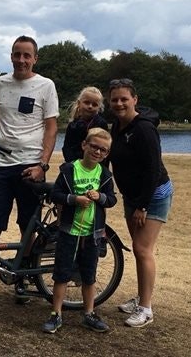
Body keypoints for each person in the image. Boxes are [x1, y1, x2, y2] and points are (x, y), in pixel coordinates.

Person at [0, 35, 59, 304]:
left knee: (28, 225)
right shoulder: (1, 83)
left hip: (31, 166)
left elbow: (51, 127)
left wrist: (42, 165)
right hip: (1, 165)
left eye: (27, 55)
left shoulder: (45, 86)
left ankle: (22, 278)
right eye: (17, 54)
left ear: (35, 58)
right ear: (11, 56)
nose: (21, 60)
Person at [107, 78, 174, 328]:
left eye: (124, 98)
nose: (119, 103)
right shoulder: (117, 126)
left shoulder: (144, 129)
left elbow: (153, 170)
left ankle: (146, 309)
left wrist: (143, 206)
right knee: (137, 247)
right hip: (133, 196)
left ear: (135, 99)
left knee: (143, 249)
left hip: (153, 195)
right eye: (115, 99)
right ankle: (141, 297)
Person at [42, 128, 117, 333]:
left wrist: (99, 197)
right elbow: (56, 194)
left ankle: (89, 314)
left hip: (92, 234)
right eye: (94, 146)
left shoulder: (105, 174)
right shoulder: (68, 170)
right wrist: (74, 199)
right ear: (84, 145)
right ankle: (56, 314)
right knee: (62, 273)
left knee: (89, 275)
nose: (98, 152)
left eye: (103, 150)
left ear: (107, 154)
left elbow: (111, 200)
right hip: (69, 231)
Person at [62, 86, 109, 162]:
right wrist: (73, 163)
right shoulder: (73, 125)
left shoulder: (101, 124)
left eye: (94, 105)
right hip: (74, 163)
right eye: (87, 102)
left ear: (99, 107)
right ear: (79, 103)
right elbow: (66, 147)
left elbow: (104, 147)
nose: (90, 106)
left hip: (94, 164)